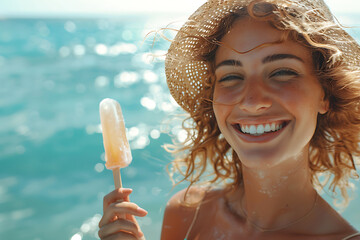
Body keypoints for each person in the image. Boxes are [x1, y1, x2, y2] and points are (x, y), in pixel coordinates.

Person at [98, 0, 360, 239]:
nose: (252, 100)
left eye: (281, 72)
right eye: (231, 77)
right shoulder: (187, 214)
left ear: (325, 93)